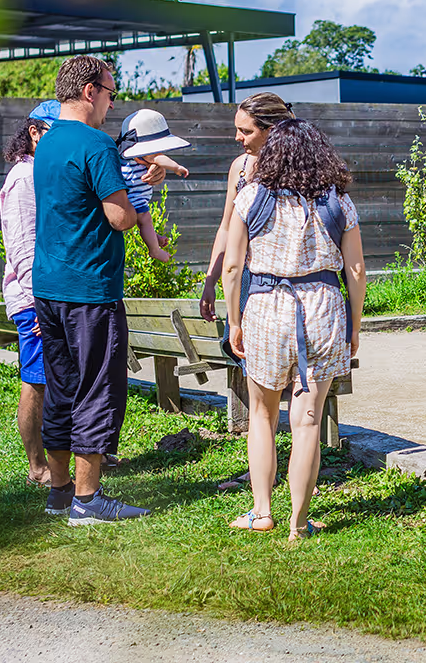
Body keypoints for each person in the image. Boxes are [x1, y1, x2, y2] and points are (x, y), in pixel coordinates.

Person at [32, 55, 162, 525]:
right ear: (89, 91)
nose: (111, 102)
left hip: (47, 285)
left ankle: (61, 492)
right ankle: (89, 502)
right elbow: (120, 218)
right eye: (110, 92)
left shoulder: (45, 144)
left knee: (63, 388)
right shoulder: (96, 144)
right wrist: (142, 189)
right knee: (97, 390)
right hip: (90, 288)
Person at [222, 118, 366, 540]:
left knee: (262, 416)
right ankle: (298, 524)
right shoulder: (339, 202)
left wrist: (234, 320)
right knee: (307, 421)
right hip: (321, 309)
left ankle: (261, 510)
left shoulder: (251, 198)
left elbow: (233, 266)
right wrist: (355, 326)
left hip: (266, 307)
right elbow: (356, 270)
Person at [199, 92, 295, 322]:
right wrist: (210, 281)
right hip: (246, 282)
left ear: (272, 131)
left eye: (246, 131)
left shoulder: (298, 170)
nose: (237, 137)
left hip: (288, 283)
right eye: (237, 129)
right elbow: (225, 228)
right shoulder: (239, 167)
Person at [0, 109, 52, 490]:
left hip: (49, 296)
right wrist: (38, 304)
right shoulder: (23, 178)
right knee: (36, 380)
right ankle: (37, 467)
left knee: (51, 379)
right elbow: (21, 247)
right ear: (33, 132)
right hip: (32, 300)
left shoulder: (43, 172)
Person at [116, 108, 190, 262]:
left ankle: (154, 238)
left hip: (127, 196)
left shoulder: (123, 154)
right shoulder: (147, 154)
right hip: (136, 196)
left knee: (142, 221)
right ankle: (155, 250)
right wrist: (176, 167)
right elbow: (160, 159)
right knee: (145, 219)